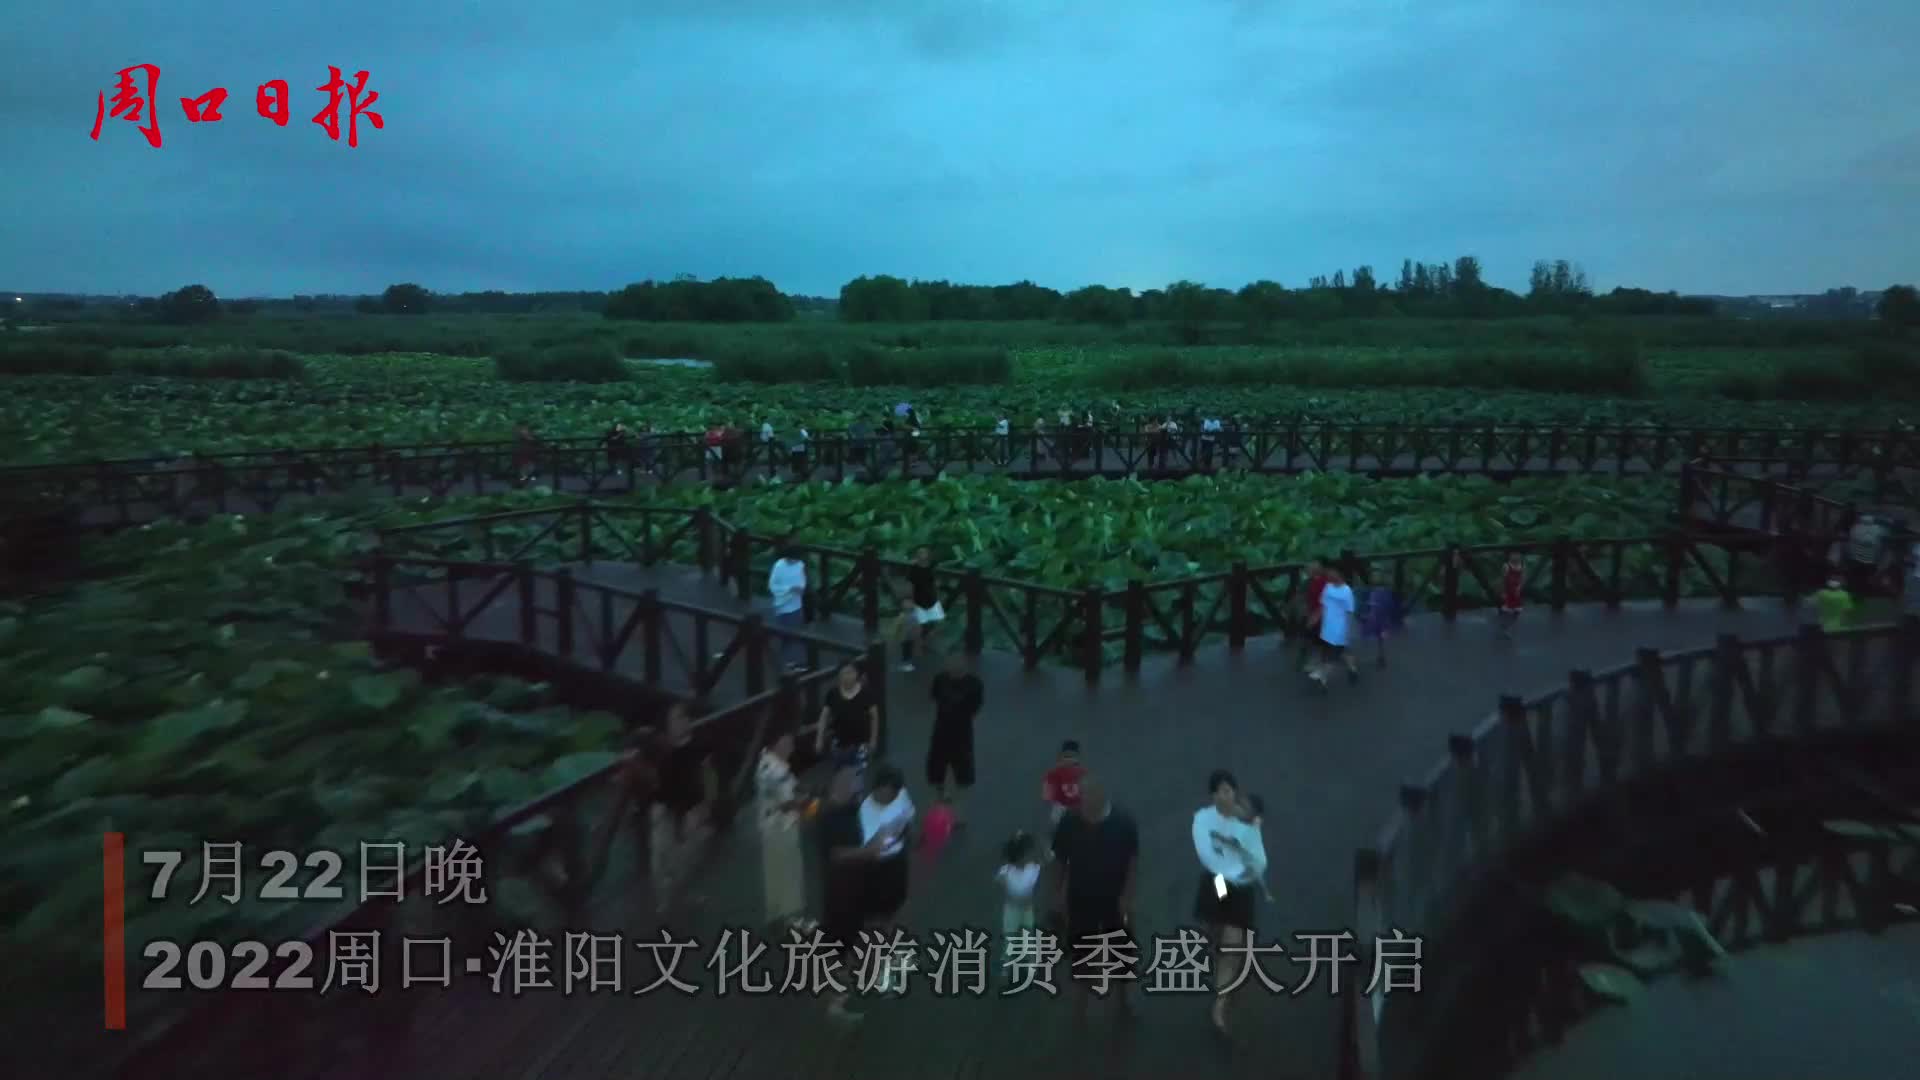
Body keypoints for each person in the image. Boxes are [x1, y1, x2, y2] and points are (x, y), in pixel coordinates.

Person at [1050, 774, 1138, 1026]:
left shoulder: (1123, 823)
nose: (1084, 807)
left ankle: (1123, 1003)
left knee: (1120, 949)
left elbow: (1132, 862)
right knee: (1082, 950)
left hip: (1114, 898)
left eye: (1088, 801)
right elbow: (1059, 860)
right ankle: (1080, 1009)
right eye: (1082, 801)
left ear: (1101, 798)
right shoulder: (1069, 822)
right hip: (1080, 898)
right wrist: (1057, 893)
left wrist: (1127, 896)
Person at [1192, 770, 1267, 1035]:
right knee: (1222, 933)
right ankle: (1223, 993)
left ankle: (1220, 1005)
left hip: (1238, 890)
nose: (1237, 805)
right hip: (1222, 884)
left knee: (1232, 943)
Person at [815, 764, 874, 1024]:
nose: (859, 786)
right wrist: (868, 851)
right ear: (839, 783)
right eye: (854, 780)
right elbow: (836, 854)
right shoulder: (829, 817)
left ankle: (842, 986)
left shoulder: (850, 809)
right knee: (837, 943)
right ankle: (834, 1003)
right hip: (839, 891)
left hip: (852, 888)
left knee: (848, 938)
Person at [651, 701, 714, 916]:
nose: (682, 722)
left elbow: (706, 774)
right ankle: (664, 900)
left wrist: (705, 804)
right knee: (661, 856)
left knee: (690, 855)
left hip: (690, 807)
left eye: (684, 717)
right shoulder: (660, 749)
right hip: (664, 807)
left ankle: (686, 893)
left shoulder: (697, 745)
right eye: (677, 718)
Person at [859, 765, 917, 989]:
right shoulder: (866, 812)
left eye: (896, 793)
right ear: (879, 788)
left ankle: (895, 954)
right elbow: (867, 849)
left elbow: (909, 816)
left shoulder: (900, 794)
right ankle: (875, 968)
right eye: (890, 793)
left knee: (898, 908)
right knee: (875, 920)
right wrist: (884, 839)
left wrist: (905, 839)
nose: (894, 797)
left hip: (897, 861)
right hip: (876, 867)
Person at [755, 729, 813, 934]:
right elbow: (788, 803)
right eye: (786, 743)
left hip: (769, 828)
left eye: (791, 742)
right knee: (790, 873)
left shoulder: (765, 761)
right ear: (775, 743)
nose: (791, 747)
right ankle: (794, 921)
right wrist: (810, 804)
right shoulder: (777, 770)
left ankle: (775, 915)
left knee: (774, 874)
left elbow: (789, 789)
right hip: (783, 828)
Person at [926, 650, 982, 818]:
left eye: (957, 661)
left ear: (964, 663)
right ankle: (939, 799)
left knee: (963, 772)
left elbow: (976, 708)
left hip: (962, 733)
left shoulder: (975, 684)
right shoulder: (940, 679)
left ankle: (959, 808)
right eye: (950, 661)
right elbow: (935, 697)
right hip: (941, 730)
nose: (953, 665)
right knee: (936, 768)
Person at [815, 660, 880, 777]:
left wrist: (873, 740)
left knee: (858, 777)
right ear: (839, 676)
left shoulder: (866, 693)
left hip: (861, 745)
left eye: (850, 672)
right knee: (839, 776)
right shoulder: (833, 693)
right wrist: (819, 738)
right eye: (844, 673)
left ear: (856, 674)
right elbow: (824, 717)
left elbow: (874, 717)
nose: (847, 676)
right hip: (839, 744)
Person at [1309, 567, 1359, 689]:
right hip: (1327, 628)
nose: (1329, 575)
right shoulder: (1328, 588)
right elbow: (1323, 605)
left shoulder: (1347, 591)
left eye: (1332, 572)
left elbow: (1349, 611)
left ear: (1339, 574)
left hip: (1340, 629)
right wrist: (1314, 618)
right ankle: (1352, 669)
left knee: (1332, 656)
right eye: (1328, 573)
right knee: (1342, 652)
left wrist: (1348, 630)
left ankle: (1322, 678)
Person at [996, 831, 1042, 962]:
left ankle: (1029, 960)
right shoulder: (1008, 871)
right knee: (1010, 936)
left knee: (1027, 935)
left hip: (1023, 909)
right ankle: (1008, 959)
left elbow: (1001, 883)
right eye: (1028, 854)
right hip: (1014, 909)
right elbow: (1001, 882)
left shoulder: (1032, 868)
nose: (1031, 856)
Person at [899, 546, 944, 672]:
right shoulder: (913, 568)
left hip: (932, 599)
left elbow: (936, 578)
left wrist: (938, 588)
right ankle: (916, 647)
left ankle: (923, 641)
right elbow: (910, 584)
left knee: (936, 622)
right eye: (920, 553)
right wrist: (909, 600)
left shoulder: (932, 566)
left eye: (924, 552)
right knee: (918, 625)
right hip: (918, 600)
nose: (922, 555)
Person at [767, 541, 808, 673]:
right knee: (785, 634)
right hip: (781, 604)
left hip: (796, 605)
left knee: (794, 634)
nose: (795, 561)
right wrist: (789, 589)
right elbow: (772, 585)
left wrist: (800, 589)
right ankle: (786, 662)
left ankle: (795, 662)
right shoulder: (779, 566)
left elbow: (802, 582)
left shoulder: (800, 565)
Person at [1295, 558, 1329, 672]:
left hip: (1325, 614)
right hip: (1311, 613)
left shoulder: (1328, 581)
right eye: (1309, 567)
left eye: (1314, 566)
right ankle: (1305, 656)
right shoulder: (1306, 583)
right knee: (1307, 634)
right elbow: (1301, 598)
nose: (1310, 569)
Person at [1042, 739, 1086, 824]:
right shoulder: (1053, 774)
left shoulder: (1083, 774)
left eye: (1072, 757)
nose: (1069, 760)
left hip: (1077, 809)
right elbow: (1047, 795)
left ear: (1077, 758)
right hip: (1061, 808)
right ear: (1061, 757)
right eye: (1066, 756)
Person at [1846, 514, 1884, 596]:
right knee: (1866, 580)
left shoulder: (1855, 528)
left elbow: (1850, 543)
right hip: (1870, 560)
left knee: (1855, 578)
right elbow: (1879, 545)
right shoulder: (1878, 529)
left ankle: (1854, 593)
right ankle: (1864, 593)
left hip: (1856, 558)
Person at [1498, 551, 1525, 639]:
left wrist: (1520, 587)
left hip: (1516, 591)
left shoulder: (1521, 565)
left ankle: (1507, 624)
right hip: (1508, 591)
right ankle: (1506, 628)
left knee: (1517, 610)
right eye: (1514, 555)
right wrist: (1503, 592)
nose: (1516, 556)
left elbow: (1522, 578)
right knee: (1508, 610)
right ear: (1510, 556)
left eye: (1517, 555)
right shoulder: (1506, 566)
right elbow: (1503, 579)